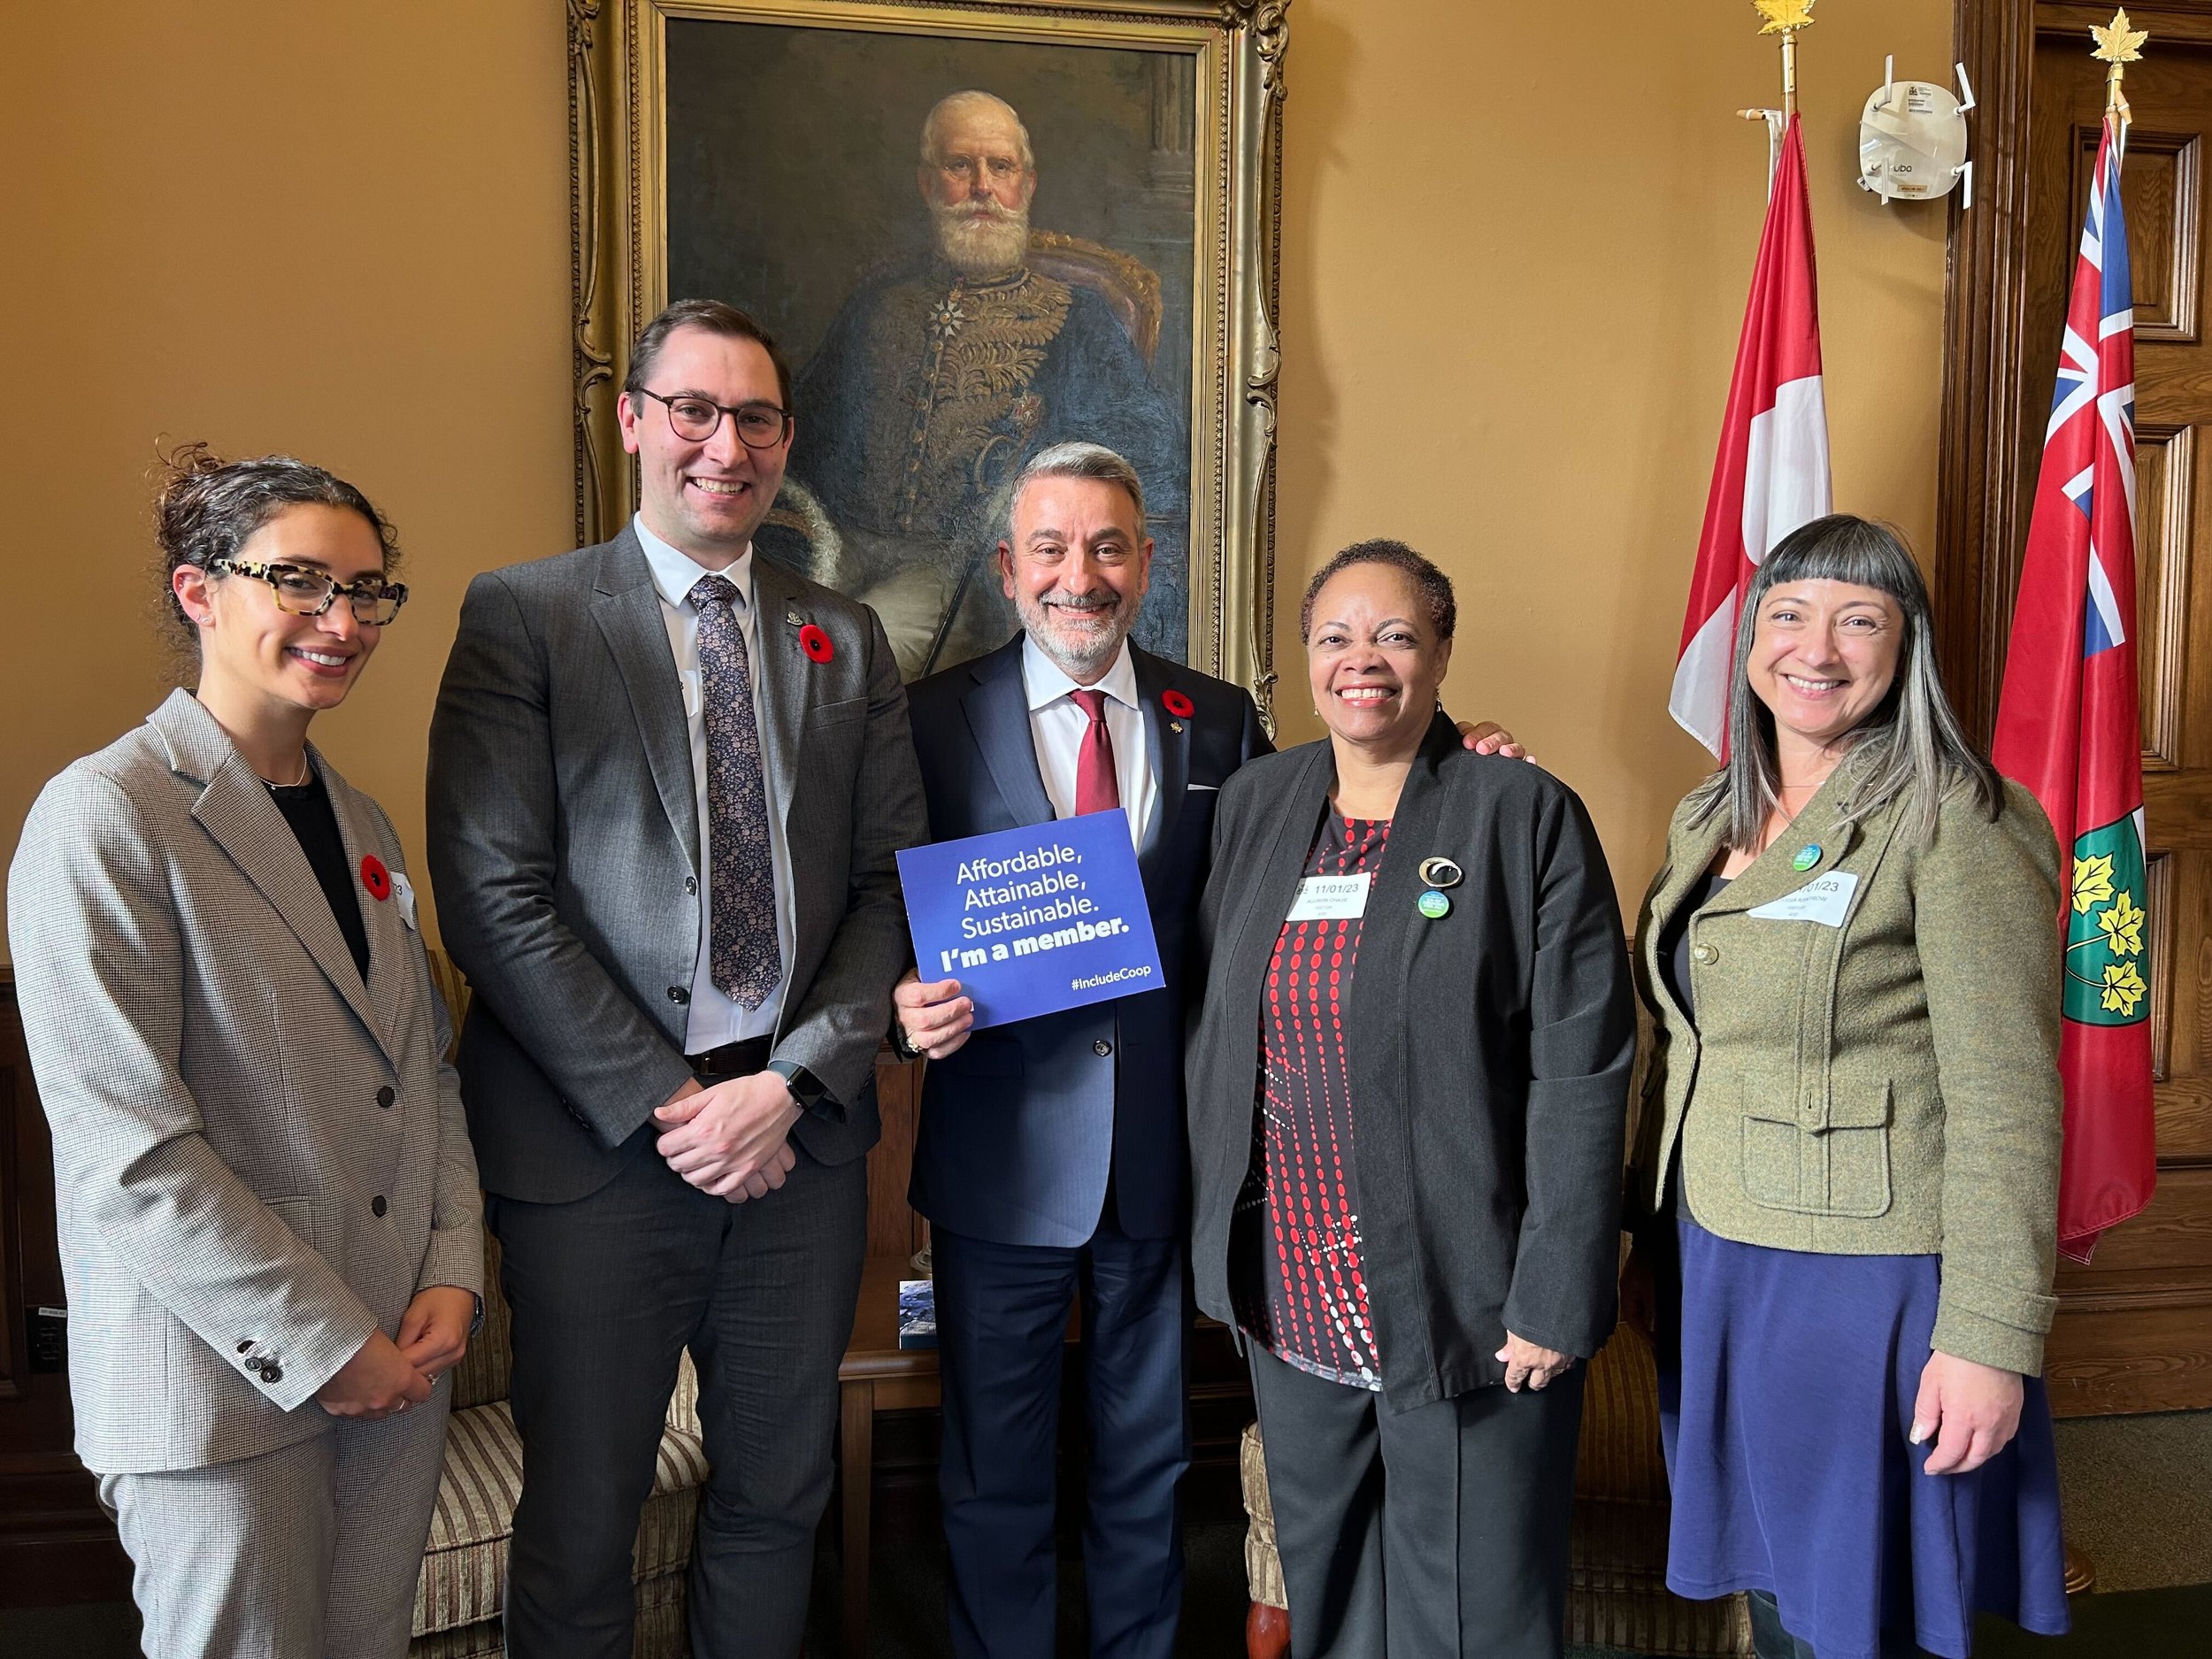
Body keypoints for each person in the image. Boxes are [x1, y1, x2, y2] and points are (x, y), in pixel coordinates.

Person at [893, 462, 1525, 1659]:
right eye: (1052, 549)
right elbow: (880, 897)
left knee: (1146, 1460)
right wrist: (897, 1000)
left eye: (1111, 549)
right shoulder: (928, 715)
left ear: (1147, 561)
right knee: (993, 1463)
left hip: (1166, 1156)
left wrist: (1462, 749)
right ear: (1007, 569)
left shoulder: (1220, 716)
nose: (1081, 577)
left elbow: (1341, 811)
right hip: (998, 1157)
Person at [427, 298, 926, 1658]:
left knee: (779, 1496)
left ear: (785, 440)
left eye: (755, 416)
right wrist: (674, 1101)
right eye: (694, 410)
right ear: (636, 420)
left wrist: (786, 1081)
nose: (726, 443)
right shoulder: (525, 616)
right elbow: (492, 890)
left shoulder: (845, 637)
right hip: (600, 1153)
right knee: (585, 1514)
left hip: (795, 1148)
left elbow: (890, 882)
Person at [9, 445, 482, 1658]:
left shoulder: (365, 819)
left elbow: (421, 1068)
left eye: (369, 589)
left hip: (395, 1369)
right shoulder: (106, 813)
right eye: (302, 580)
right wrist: (330, 1345)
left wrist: (450, 1267)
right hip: (226, 1386)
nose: (344, 619)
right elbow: (130, 1152)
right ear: (198, 590)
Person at [1624, 513, 2071, 1659]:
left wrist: (1989, 1336)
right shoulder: (1706, 813)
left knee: (1856, 1598)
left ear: (1905, 645)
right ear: (1752, 640)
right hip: (1718, 1248)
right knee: (1773, 1576)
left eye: (1858, 618)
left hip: (1861, 1278)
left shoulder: (1957, 818)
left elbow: (2009, 1098)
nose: (1816, 647)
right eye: (1789, 613)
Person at [1183, 540, 1634, 1659]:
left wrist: (1555, 1287)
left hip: (1466, 1292)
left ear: (1439, 653)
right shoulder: (1256, 801)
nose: (1362, 661)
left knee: (1472, 1611)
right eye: (1335, 637)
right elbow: (1218, 1026)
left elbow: (1583, 1065)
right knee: (1330, 1589)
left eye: (1394, 635)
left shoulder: (1518, 811)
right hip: (1290, 1292)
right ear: (1303, 660)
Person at [785, 89, 1189, 677]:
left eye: (1000, 167)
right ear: (928, 185)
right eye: (959, 166)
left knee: (833, 666)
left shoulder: (1078, 317)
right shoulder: (878, 304)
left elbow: (1147, 457)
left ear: (1025, 186)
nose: (982, 187)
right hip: (834, 552)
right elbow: (806, 432)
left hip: (955, 578)